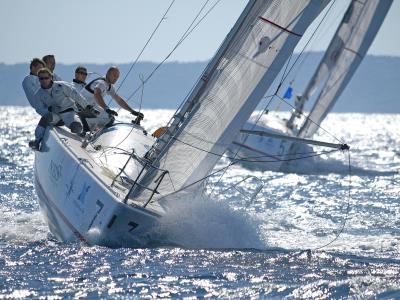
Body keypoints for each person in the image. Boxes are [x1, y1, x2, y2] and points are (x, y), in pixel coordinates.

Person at [28, 68, 95, 150]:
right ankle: (37, 141)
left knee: (76, 127)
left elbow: (76, 95)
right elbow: (39, 108)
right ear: (38, 79)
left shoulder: (61, 85)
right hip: (56, 116)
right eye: (41, 78)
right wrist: (48, 110)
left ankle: (85, 135)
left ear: (51, 77)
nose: (44, 80)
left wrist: (87, 106)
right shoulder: (38, 94)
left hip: (69, 113)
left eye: (46, 78)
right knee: (46, 117)